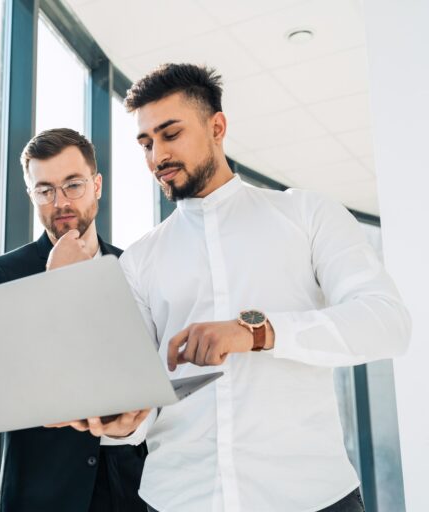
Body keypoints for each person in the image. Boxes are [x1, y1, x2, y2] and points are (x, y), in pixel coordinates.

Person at [69, 63, 411, 512]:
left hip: (310, 497)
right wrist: (121, 424)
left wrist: (257, 332)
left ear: (218, 126)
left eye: (171, 135)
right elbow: (144, 399)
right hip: (178, 499)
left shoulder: (307, 215)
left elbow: (388, 322)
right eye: (147, 143)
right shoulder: (138, 261)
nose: (157, 157)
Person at [0, 128, 148, 512]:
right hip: (44, 490)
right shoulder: (2, 275)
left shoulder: (134, 268)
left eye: (73, 185)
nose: (61, 202)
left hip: (128, 485)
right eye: (45, 190)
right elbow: (5, 381)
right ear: (32, 196)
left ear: (96, 185)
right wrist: (61, 283)